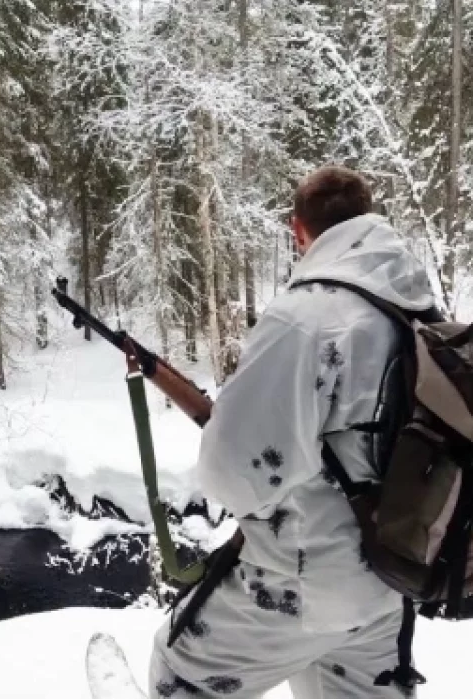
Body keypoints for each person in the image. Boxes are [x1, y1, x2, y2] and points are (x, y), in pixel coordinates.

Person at [149, 166, 438, 699]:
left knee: (180, 672)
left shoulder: (306, 316)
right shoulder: (416, 309)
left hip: (301, 581)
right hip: (391, 579)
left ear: (297, 230)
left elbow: (232, 469)